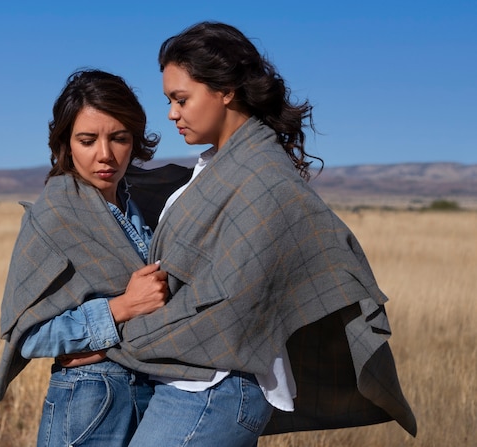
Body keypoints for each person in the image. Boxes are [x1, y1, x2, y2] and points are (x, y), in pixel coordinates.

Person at [99, 22, 417, 446]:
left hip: (216, 391)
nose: (172, 113)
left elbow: (230, 307)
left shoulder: (264, 177)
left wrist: (112, 338)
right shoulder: (214, 166)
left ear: (225, 90)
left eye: (181, 99)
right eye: (169, 101)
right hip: (189, 384)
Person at [0, 69, 173, 447]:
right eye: (87, 140)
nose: (105, 155)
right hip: (93, 399)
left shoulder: (140, 204)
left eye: (119, 138)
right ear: (66, 143)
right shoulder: (54, 215)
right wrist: (121, 308)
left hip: (156, 392)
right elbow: (30, 335)